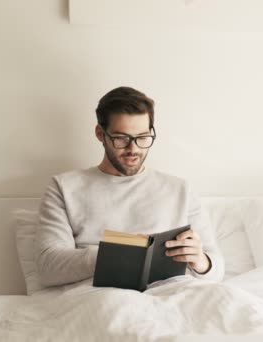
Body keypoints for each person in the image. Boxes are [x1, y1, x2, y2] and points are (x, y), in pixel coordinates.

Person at [35, 86, 224, 287]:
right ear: (100, 133)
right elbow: (48, 268)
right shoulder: (64, 187)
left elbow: (216, 270)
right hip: (100, 295)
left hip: (173, 293)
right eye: (121, 138)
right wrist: (113, 256)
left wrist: (201, 261)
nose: (133, 149)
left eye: (143, 137)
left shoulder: (179, 189)